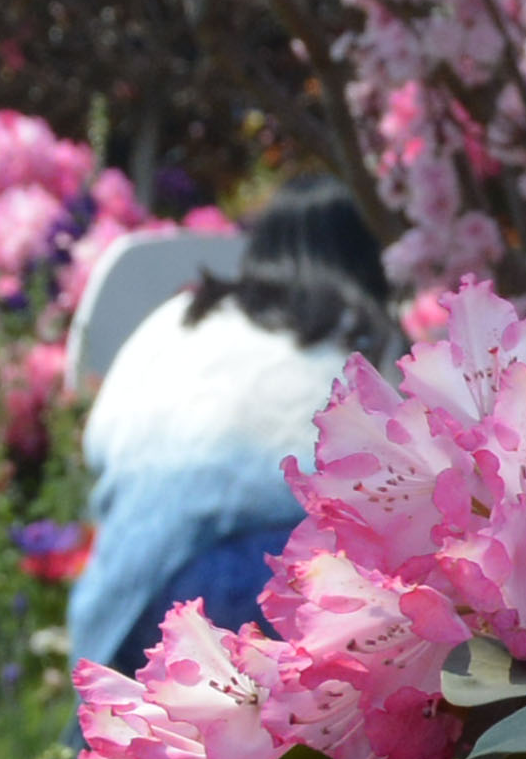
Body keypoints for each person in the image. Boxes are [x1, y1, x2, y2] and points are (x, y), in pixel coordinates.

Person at [65, 193, 399, 671]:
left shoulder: (180, 315)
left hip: (133, 597)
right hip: (285, 583)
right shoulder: (359, 327)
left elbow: (98, 442)